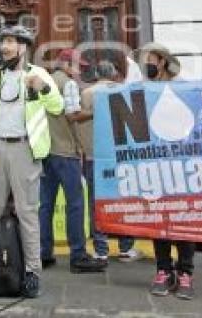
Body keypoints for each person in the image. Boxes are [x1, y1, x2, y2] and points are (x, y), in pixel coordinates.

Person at [0, 25, 63, 299]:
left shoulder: (38, 74)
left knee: (27, 213)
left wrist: (43, 88)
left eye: (11, 42)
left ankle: (33, 273)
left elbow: (57, 107)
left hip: (24, 149)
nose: (5, 47)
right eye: (4, 42)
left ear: (24, 47)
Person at [138, 42, 197, 300]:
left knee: (183, 218)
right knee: (158, 217)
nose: (145, 64)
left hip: (181, 161)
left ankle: (185, 272)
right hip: (154, 161)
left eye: (148, 59)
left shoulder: (183, 85)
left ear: (161, 61)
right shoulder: (143, 87)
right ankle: (163, 269)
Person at [39, 48, 106, 274]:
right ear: (67, 64)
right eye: (79, 67)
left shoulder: (46, 81)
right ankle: (78, 255)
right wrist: (96, 112)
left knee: (45, 205)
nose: (80, 72)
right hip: (66, 152)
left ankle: (44, 253)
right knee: (76, 204)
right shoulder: (67, 84)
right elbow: (72, 116)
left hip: (46, 151)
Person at [78, 60, 139, 262]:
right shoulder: (124, 91)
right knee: (123, 201)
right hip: (120, 157)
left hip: (94, 156)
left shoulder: (87, 94)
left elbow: (80, 124)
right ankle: (126, 247)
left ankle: (100, 249)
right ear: (113, 74)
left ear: (96, 74)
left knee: (96, 203)